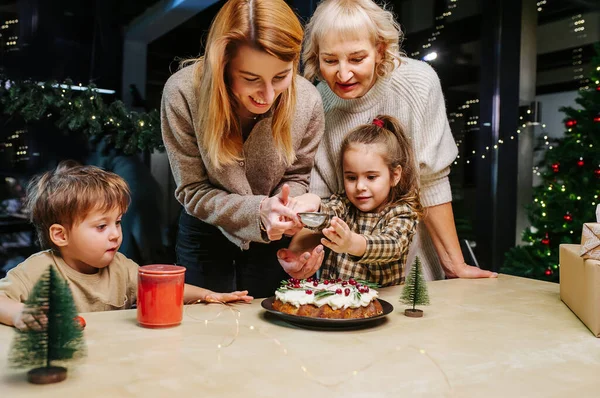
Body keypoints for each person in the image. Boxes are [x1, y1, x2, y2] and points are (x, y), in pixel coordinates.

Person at [296, 0, 497, 280]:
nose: (343, 74)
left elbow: (432, 182)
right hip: (345, 277)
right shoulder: (317, 104)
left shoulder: (418, 83)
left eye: (356, 59)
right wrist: (299, 257)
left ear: (380, 50)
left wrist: (454, 265)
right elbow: (322, 203)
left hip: (410, 267)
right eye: (330, 60)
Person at [160, 0, 325, 298]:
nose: (268, 95)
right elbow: (192, 190)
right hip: (204, 234)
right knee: (207, 333)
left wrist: (286, 211)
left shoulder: (308, 100)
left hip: (272, 240)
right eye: (250, 79)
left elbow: (298, 177)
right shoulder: (183, 93)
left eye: (280, 77)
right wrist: (258, 211)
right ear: (221, 64)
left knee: (269, 334)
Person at [0, 162, 253, 331]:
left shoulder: (120, 266)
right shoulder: (39, 269)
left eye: (118, 222)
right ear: (60, 235)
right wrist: (20, 314)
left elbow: (165, 287)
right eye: (101, 226)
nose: (115, 235)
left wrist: (210, 295)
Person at [291, 115, 421, 286]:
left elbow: (392, 245)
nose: (360, 186)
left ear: (394, 175)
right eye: (351, 178)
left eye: (371, 177)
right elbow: (328, 214)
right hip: (335, 302)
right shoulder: (344, 204)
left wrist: (351, 243)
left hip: (379, 304)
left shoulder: (402, 212)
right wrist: (313, 204)